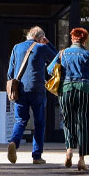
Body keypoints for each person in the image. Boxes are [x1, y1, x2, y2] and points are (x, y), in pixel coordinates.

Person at [47, 26, 89, 171]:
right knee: (85, 123)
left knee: (68, 121)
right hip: (85, 90)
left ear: (72, 39)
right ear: (84, 40)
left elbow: (49, 69)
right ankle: (81, 160)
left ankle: (68, 150)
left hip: (66, 90)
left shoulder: (63, 53)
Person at [5, 26, 57, 164]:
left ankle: (14, 143)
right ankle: (37, 156)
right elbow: (57, 59)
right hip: (37, 89)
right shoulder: (41, 48)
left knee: (20, 120)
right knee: (39, 123)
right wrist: (48, 43)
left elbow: (10, 72)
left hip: (20, 89)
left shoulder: (17, 47)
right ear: (41, 38)